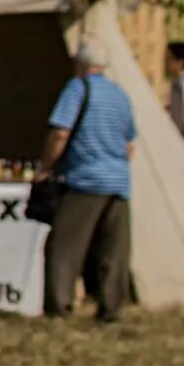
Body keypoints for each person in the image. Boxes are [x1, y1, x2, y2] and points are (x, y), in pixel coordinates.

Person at [38, 43, 139, 321]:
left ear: (80, 65)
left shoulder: (78, 89)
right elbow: (130, 143)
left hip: (85, 179)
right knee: (113, 250)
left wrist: (46, 166)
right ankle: (112, 308)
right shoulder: (120, 94)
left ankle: (59, 307)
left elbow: (61, 132)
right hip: (118, 181)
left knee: (64, 246)